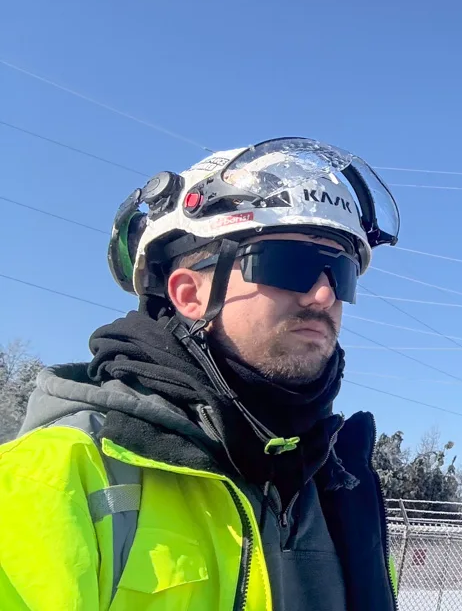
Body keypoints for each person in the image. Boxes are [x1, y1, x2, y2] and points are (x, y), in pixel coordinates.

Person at [0, 137, 402, 610]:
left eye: (340, 272)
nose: (323, 296)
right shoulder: (54, 479)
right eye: (291, 265)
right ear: (190, 294)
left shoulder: (340, 488)